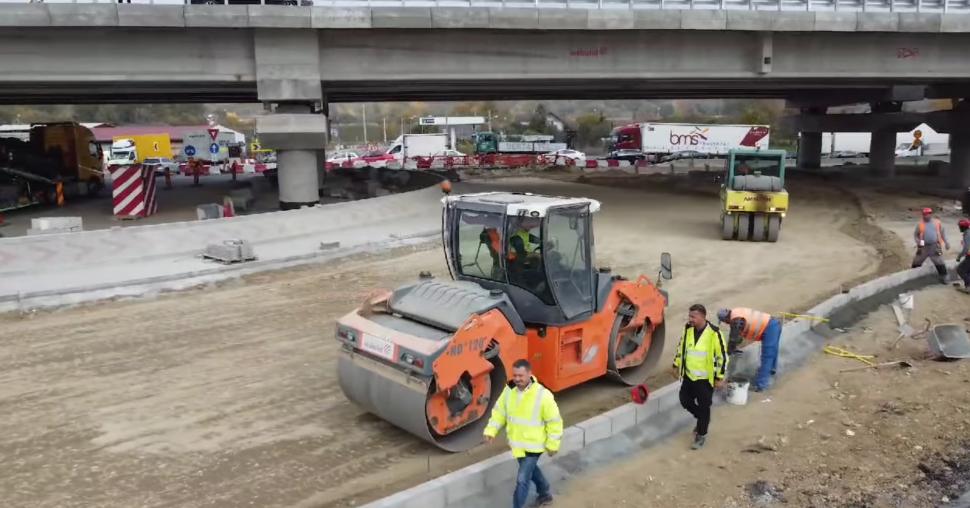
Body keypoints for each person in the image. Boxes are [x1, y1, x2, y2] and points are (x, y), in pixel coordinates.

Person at [484, 359, 562, 508]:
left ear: (529, 374)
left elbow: (554, 422)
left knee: (522, 479)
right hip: (517, 444)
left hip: (534, 446)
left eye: (521, 376)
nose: (517, 379)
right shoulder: (509, 392)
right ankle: (545, 493)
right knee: (532, 472)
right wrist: (490, 430)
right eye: (515, 375)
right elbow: (499, 412)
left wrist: (553, 444)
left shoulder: (543, 395)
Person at [672, 304, 728, 450]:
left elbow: (722, 356)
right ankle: (703, 418)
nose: (690, 319)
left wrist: (719, 377)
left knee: (704, 407)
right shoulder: (688, 329)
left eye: (693, 317)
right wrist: (676, 364)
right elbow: (681, 347)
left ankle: (701, 434)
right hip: (689, 376)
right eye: (689, 316)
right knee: (684, 400)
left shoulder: (714, 333)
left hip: (704, 380)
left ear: (703, 317)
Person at [717, 307, 782, 392]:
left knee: (767, 355)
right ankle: (771, 371)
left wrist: (729, 352)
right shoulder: (736, 313)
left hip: (769, 327)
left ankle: (761, 385)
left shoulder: (736, 320)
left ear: (725, 319)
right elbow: (737, 335)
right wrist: (734, 347)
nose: (726, 323)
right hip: (773, 323)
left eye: (724, 321)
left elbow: (734, 338)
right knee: (773, 350)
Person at [912, 207, 950, 283]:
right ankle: (912, 277)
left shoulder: (937, 223)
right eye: (924, 215)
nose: (925, 216)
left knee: (939, 261)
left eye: (927, 214)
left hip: (935, 245)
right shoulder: (920, 224)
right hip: (923, 246)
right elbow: (916, 235)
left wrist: (946, 242)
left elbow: (943, 233)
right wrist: (917, 241)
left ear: (931, 214)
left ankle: (944, 277)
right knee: (917, 261)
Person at [956, 218, 970, 293]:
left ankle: (968, 287)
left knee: (960, 270)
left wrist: (959, 256)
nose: (959, 228)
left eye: (959, 226)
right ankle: (967, 286)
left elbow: (966, 248)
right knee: (967, 271)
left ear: (963, 227)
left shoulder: (967, 234)